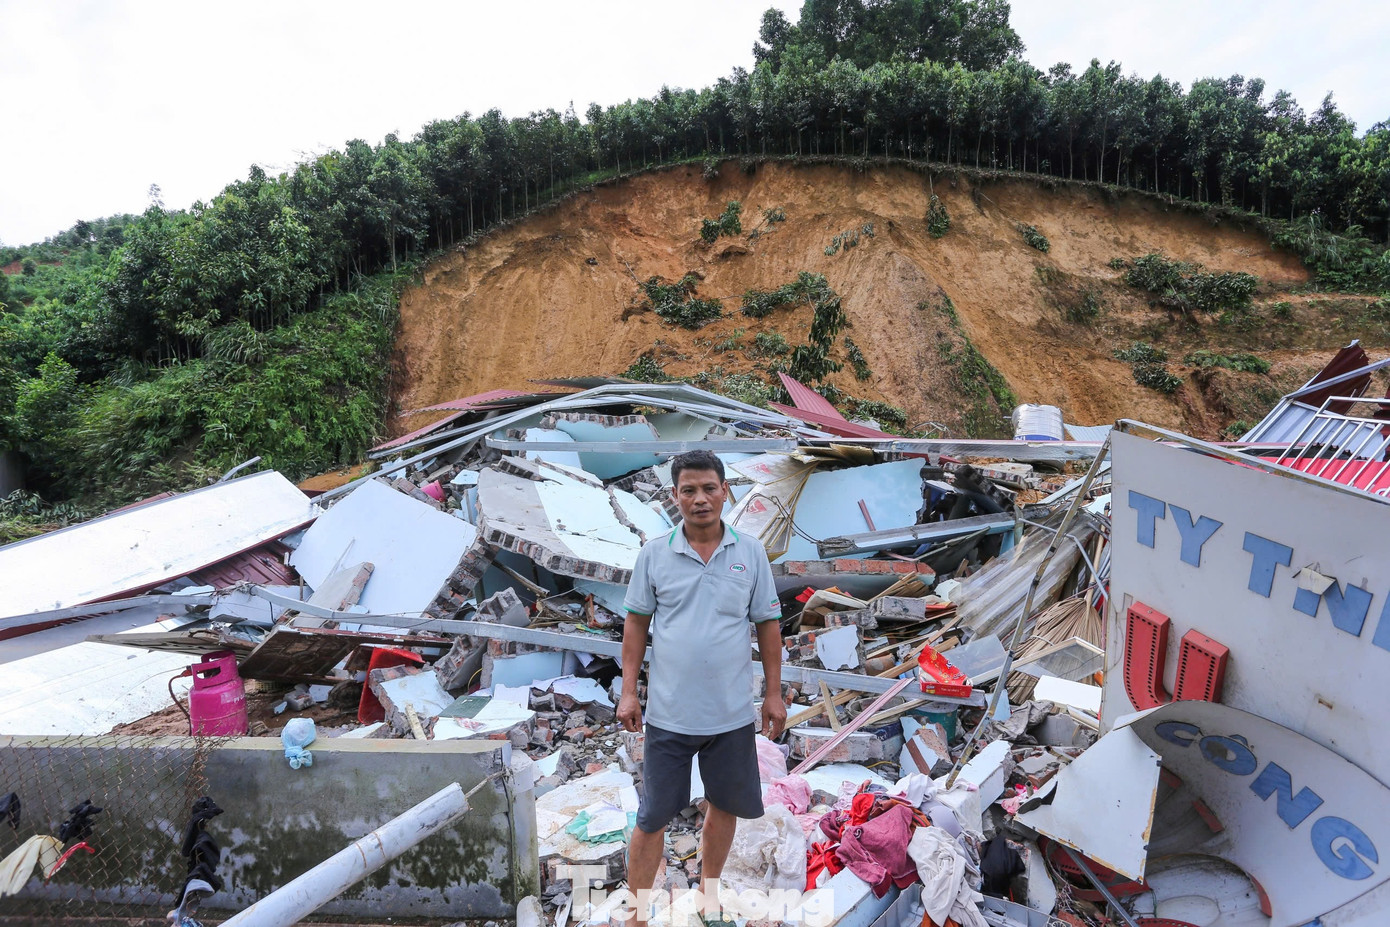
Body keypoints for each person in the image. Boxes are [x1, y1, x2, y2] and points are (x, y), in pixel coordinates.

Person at [619, 449, 787, 925]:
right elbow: (636, 625)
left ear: (725, 492)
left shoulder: (750, 553)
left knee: (725, 806)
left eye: (709, 488)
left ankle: (708, 895)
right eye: (688, 490)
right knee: (653, 816)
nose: (700, 499)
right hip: (669, 714)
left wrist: (773, 694)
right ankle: (637, 914)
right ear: (675, 496)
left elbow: (768, 626)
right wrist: (628, 691)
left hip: (730, 715)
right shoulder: (654, 554)